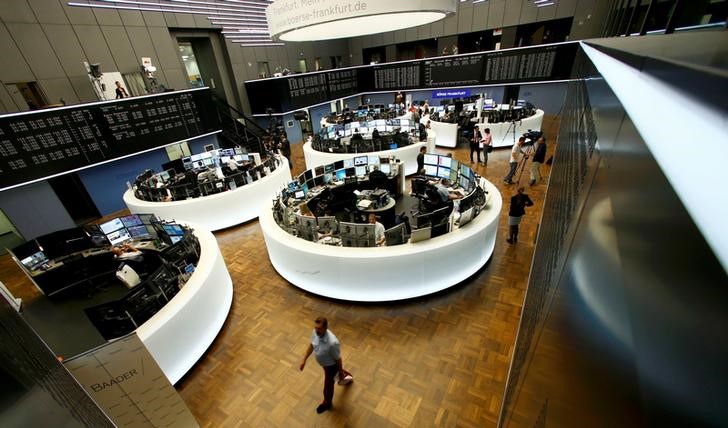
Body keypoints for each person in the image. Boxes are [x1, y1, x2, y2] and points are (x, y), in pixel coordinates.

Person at [300, 317, 353, 414]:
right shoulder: (315, 332)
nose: (316, 330)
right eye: (315, 327)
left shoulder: (332, 343)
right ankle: (346, 376)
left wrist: (340, 371)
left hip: (331, 367)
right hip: (325, 365)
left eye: (319, 328)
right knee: (337, 374)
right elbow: (311, 345)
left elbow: (338, 359)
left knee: (328, 386)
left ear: (325, 328)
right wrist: (304, 360)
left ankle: (327, 402)